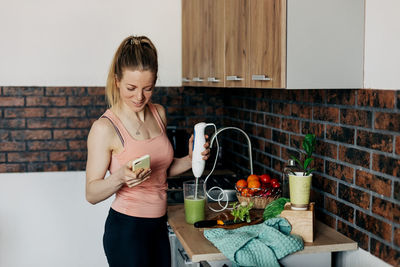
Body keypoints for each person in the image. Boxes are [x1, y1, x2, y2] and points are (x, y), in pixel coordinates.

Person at [85, 35, 210, 267]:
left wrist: (190, 159)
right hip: (126, 232)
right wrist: (120, 177)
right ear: (117, 81)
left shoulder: (158, 113)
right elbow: (91, 193)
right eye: (131, 88)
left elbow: (162, 170)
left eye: (148, 88)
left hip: (158, 227)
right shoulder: (104, 128)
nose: (139, 97)